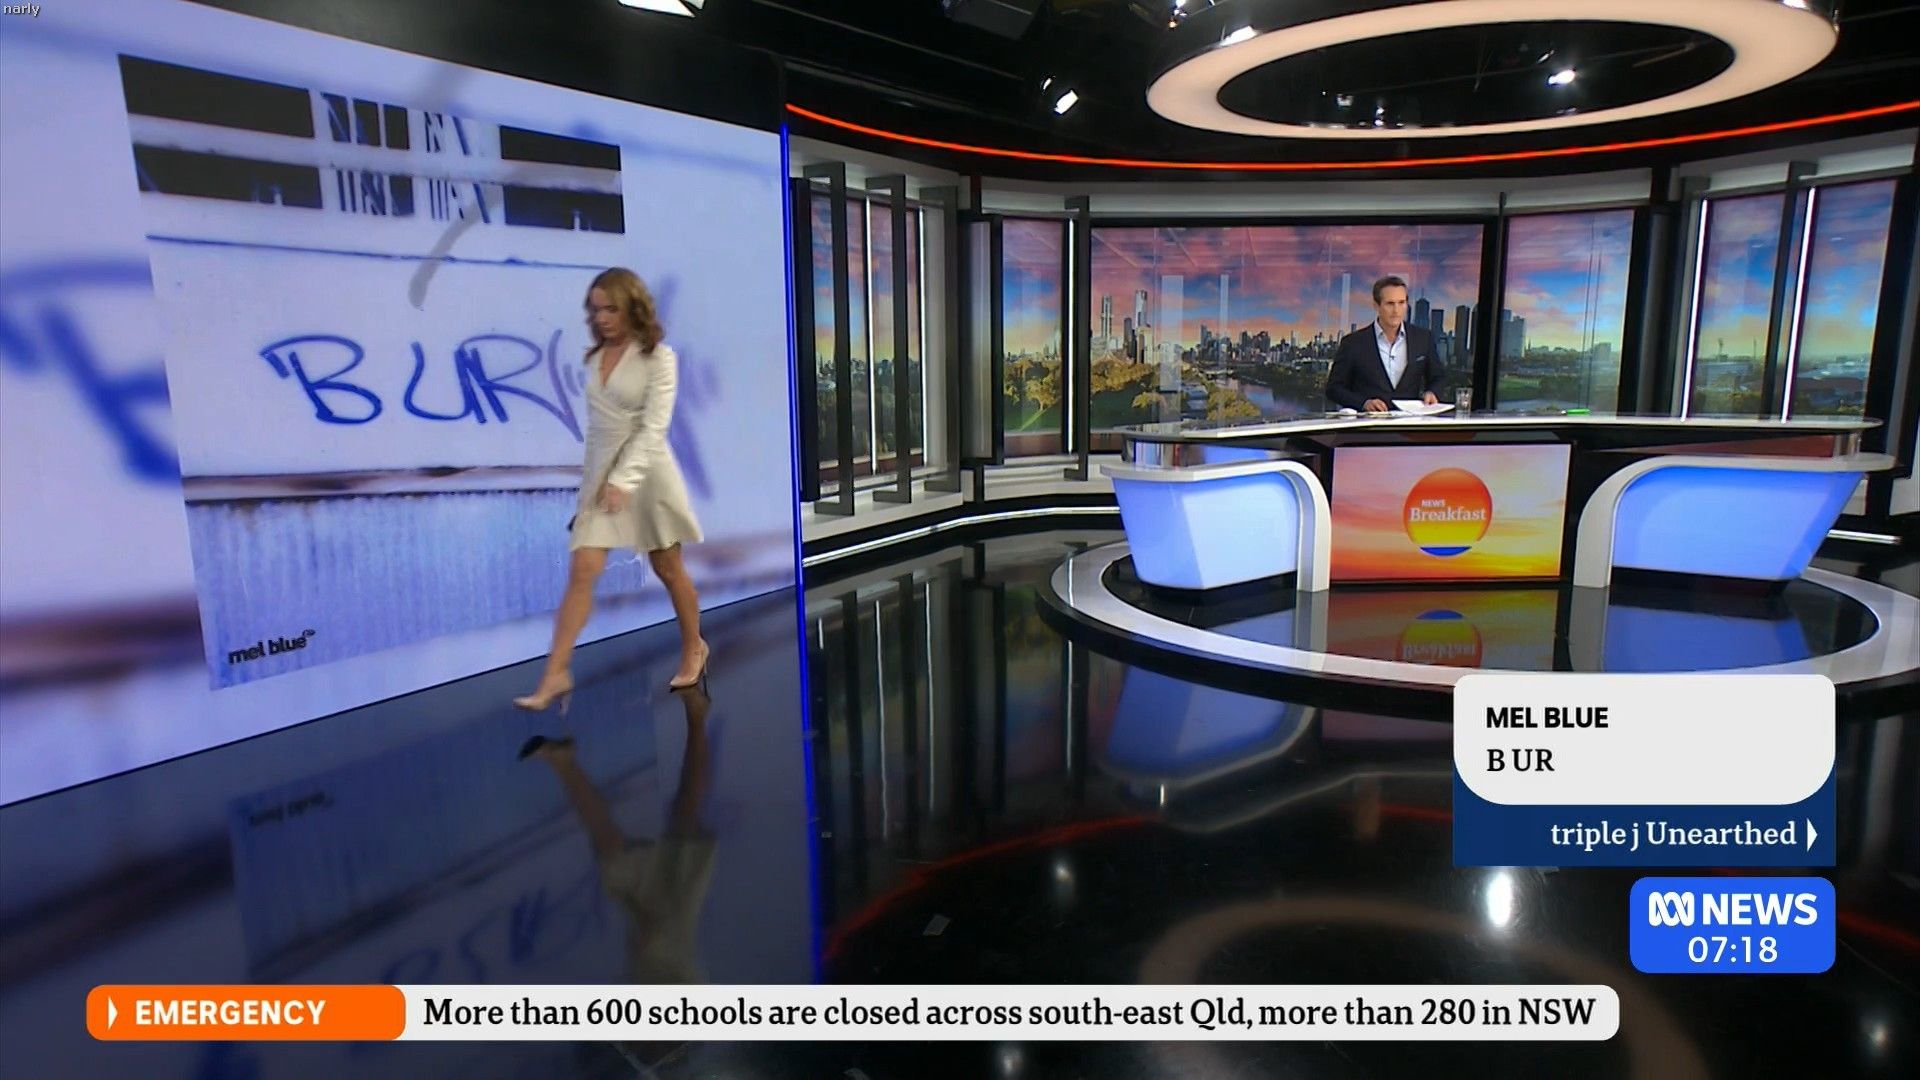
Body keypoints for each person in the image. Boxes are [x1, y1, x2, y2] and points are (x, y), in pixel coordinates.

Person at [515, 268, 707, 710]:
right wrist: (592, 490)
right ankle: (555, 673)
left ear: (632, 307)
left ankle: (694, 647)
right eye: (595, 309)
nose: (601, 318)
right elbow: (599, 435)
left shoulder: (660, 358)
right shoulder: (593, 358)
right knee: (583, 569)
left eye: (611, 309)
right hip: (602, 477)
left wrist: (624, 480)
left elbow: (653, 428)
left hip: (647, 473)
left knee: (668, 567)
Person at [1325, 275, 1449, 413]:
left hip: (1409, 422)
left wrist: (1432, 392)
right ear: (1376, 305)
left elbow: (1438, 377)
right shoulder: (1353, 343)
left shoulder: (1423, 338)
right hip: (1368, 423)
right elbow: (1334, 388)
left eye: (1401, 303)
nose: (1396, 310)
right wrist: (1364, 403)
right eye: (1390, 303)